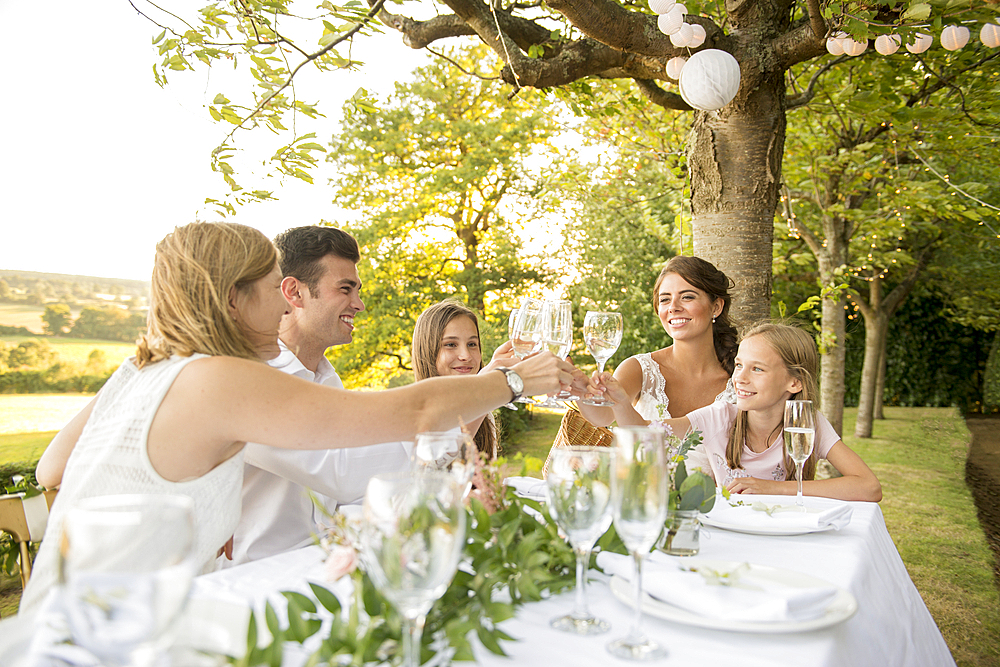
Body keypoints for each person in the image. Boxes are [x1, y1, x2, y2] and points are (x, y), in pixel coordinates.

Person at [22, 222, 578, 613]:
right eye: (273, 291)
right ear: (234, 299)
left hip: (132, 605)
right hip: (107, 631)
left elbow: (52, 469)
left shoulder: (149, 366)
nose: (284, 307)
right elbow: (410, 413)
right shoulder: (222, 377)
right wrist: (508, 383)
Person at [231, 225, 411, 567]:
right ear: (294, 293)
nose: (358, 304)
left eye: (357, 290)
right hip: (255, 580)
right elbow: (336, 472)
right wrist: (439, 423)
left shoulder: (328, 382)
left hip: (322, 568)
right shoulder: (252, 378)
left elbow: (350, 492)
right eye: (345, 289)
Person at [656, 322, 882, 501]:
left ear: (794, 382)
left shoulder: (806, 425)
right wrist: (621, 404)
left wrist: (773, 488)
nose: (740, 378)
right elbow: (649, 430)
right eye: (739, 365)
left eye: (757, 369)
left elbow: (869, 487)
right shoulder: (719, 417)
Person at [583, 256, 738, 427]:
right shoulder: (639, 369)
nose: (673, 307)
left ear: (716, 307)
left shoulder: (741, 377)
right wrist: (578, 389)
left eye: (687, 297)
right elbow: (601, 417)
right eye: (665, 299)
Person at [411, 299, 516, 458]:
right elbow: (435, 468)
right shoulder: (413, 415)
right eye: (451, 344)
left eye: (472, 344)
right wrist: (485, 391)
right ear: (427, 350)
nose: (466, 356)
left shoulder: (486, 418)